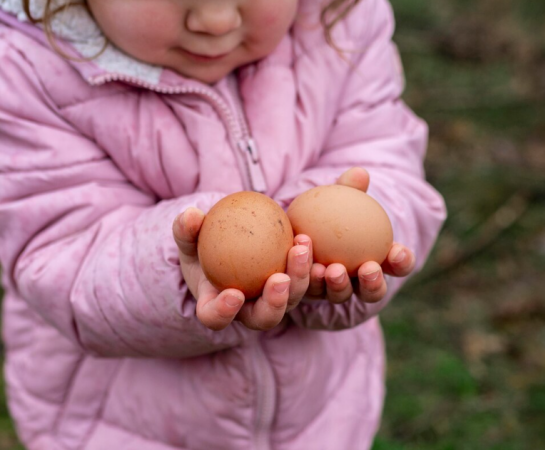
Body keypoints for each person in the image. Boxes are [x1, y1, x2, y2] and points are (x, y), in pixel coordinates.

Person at [0, 0, 446, 447]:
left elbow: (389, 164)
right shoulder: (28, 71)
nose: (216, 21)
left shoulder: (337, 21)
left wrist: (328, 244)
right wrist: (186, 267)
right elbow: (59, 254)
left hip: (316, 413)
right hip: (123, 422)